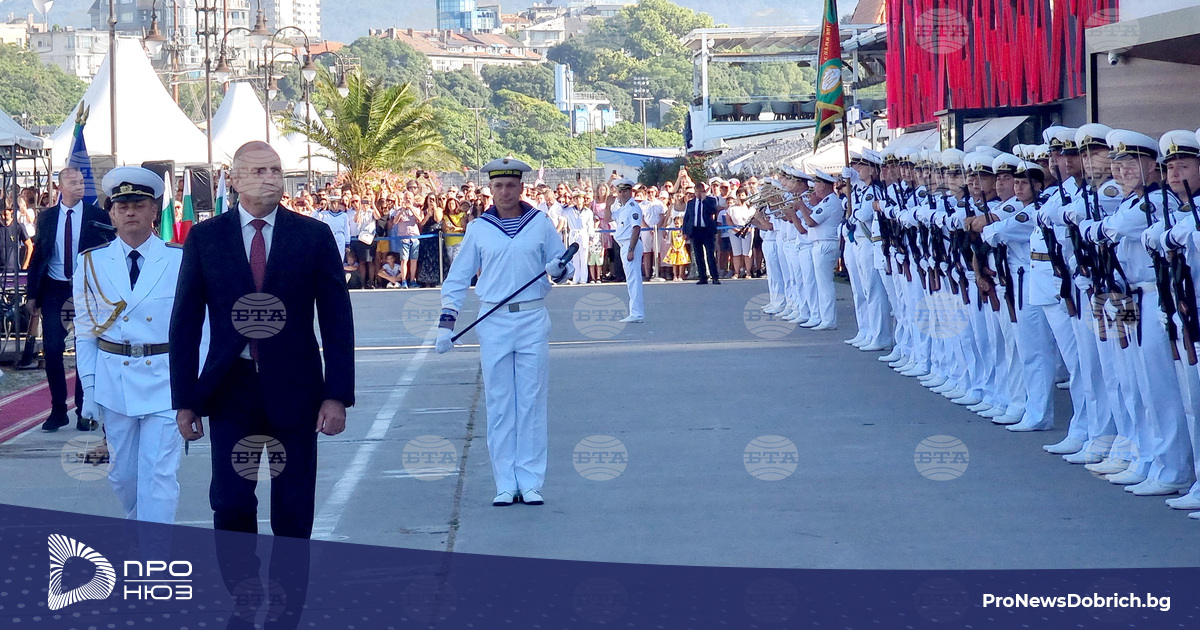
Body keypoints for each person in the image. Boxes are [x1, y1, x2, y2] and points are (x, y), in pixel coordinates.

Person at [171, 141, 355, 539]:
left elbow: (337, 321)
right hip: (231, 389)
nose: (270, 178)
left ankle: (289, 582)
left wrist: (336, 395)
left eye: (275, 170)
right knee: (231, 501)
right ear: (234, 180)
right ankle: (242, 579)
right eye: (259, 171)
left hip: (297, 389)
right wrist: (185, 400)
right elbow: (185, 324)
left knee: (293, 505)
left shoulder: (313, 236)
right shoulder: (205, 239)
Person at [436, 157, 572, 507]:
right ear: (490, 189)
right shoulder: (479, 228)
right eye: (498, 186)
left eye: (511, 185)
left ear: (521, 187)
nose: (505, 191)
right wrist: (447, 323)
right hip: (493, 319)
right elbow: (458, 277)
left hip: (532, 317)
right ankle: (505, 482)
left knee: (531, 401)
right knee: (499, 403)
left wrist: (559, 269)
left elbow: (562, 266)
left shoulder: (539, 222)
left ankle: (530, 480)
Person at [73, 166, 190, 524]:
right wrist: (89, 389)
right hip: (115, 381)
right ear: (111, 213)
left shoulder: (179, 259)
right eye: (121, 206)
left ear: (154, 210)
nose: (130, 213)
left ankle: (153, 550)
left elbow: (198, 329)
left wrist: (196, 387)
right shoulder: (91, 263)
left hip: (165, 379)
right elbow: (85, 332)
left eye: (138, 205)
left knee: (158, 474)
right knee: (123, 476)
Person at [26, 167, 112, 431]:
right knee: (52, 348)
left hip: (87, 290)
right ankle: (58, 409)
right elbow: (39, 254)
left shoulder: (97, 216)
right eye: (73, 182)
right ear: (60, 187)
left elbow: (108, 252)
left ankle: (84, 410)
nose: (79, 186)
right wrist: (32, 294)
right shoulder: (47, 217)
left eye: (82, 181)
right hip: (55, 288)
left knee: (85, 348)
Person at [612, 178, 645, 323]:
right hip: (624, 245)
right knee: (631, 280)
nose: (622, 194)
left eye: (625, 191)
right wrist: (608, 203)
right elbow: (608, 217)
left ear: (631, 192)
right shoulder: (623, 208)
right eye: (620, 191)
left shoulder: (633, 207)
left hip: (631, 244)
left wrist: (631, 249)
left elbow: (636, 228)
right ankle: (634, 312)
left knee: (634, 280)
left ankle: (636, 313)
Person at [682, 181, 720, 284]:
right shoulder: (691, 203)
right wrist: (685, 231)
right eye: (697, 191)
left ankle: (714, 277)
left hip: (707, 231)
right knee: (698, 255)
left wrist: (704, 200)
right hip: (695, 231)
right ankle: (703, 277)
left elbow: (713, 211)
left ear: (704, 191)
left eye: (701, 191)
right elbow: (687, 217)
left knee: (710, 255)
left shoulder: (711, 200)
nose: (698, 194)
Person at [388, 194, 422, 288]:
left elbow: (420, 220)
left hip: (414, 238)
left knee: (414, 260)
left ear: (413, 199)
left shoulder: (417, 210)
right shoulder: (398, 210)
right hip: (404, 239)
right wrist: (402, 210)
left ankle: (412, 280)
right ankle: (404, 280)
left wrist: (412, 209)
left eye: (410, 198)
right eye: (406, 198)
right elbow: (395, 222)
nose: (408, 200)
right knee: (404, 260)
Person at [664, 215, 691, 280]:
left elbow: (684, 240)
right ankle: (675, 275)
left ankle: (680, 275)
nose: (676, 225)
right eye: (675, 223)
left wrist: (680, 247)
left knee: (681, 263)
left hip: (681, 249)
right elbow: (671, 240)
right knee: (674, 263)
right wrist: (673, 247)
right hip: (674, 248)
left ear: (681, 223)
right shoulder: (672, 231)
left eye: (678, 223)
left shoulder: (682, 231)